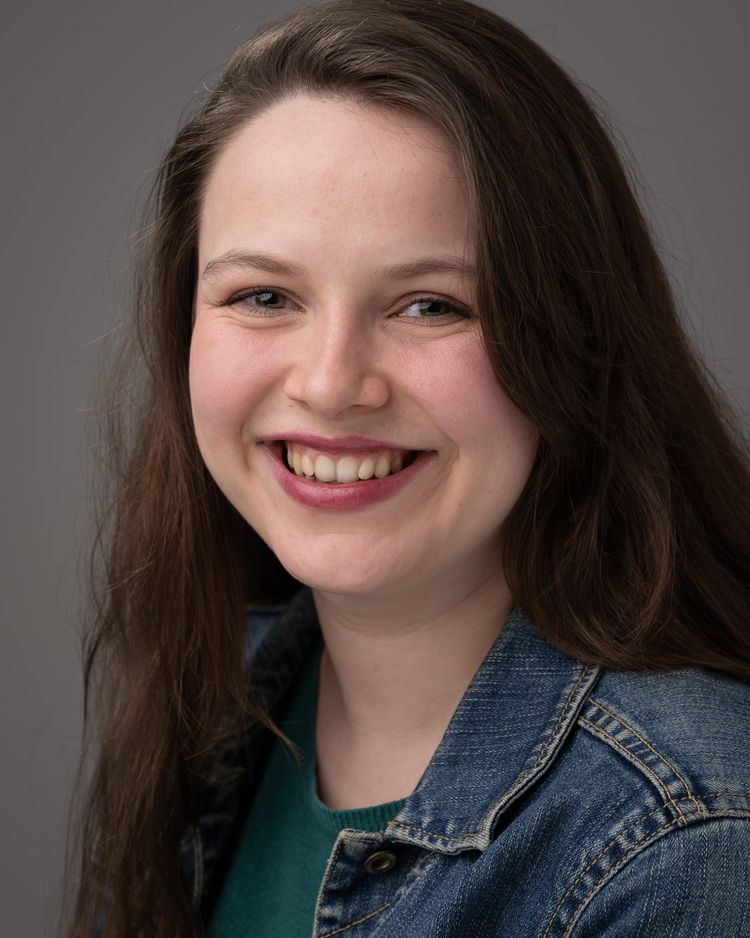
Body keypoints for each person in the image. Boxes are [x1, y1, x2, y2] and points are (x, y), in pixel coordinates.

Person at [64, 0, 750, 935]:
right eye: (264, 295)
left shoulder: (689, 845)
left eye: (431, 306)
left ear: (576, 342)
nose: (332, 384)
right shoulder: (218, 704)